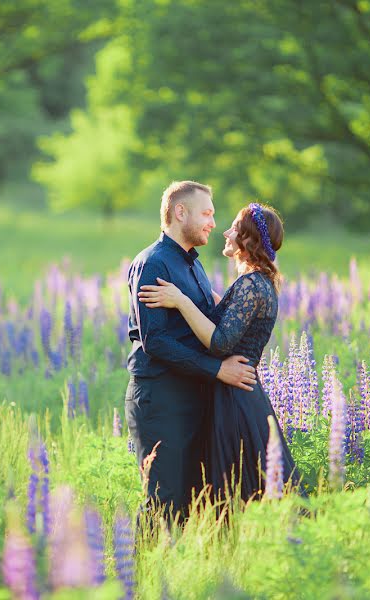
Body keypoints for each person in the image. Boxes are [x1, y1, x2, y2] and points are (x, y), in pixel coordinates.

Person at [138, 202, 300, 503]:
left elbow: (221, 342)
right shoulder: (255, 282)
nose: (225, 231)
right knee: (238, 491)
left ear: (247, 240)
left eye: (235, 228)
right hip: (236, 392)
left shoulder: (252, 284)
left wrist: (180, 300)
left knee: (237, 492)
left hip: (235, 396)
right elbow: (224, 315)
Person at [125, 181, 259, 522]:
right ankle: (142, 574)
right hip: (161, 398)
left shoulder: (193, 266)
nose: (214, 222)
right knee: (163, 500)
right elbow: (155, 341)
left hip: (193, 397)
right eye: (207, 213)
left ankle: (181, 572)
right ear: (179, 212)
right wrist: (217, 370)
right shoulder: (153, 263)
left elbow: (211, 320)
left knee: (193, 502)